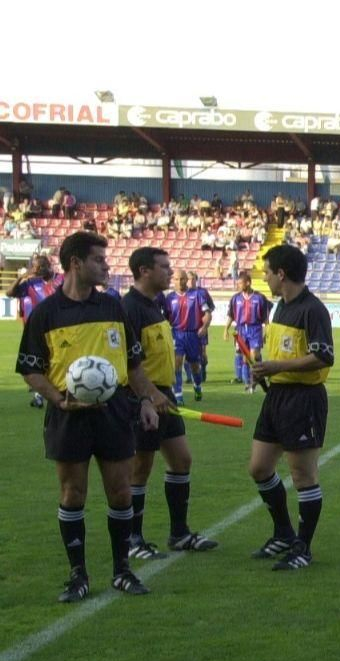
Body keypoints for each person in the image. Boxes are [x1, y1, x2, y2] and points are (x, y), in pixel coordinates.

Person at [15, 231, 165, 601]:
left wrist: (147, 399)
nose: (106, 265)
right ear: (76, 263)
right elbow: (30, 370)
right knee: (72, 493)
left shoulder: (113, 307)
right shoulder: (46, 314)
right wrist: (59, 398)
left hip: (115, 412)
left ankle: (122, 571)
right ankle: (78, 575)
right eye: (99, 259)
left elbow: (133, 365)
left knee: (120, 491)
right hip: (68, 417)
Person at [121, 247, 219, 560]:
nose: (170, 271)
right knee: (140, 468)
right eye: (164, 266)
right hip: (143, 398)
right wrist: (148, 395)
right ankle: (133, 538)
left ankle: (179, 533)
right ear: (144, 270)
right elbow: (127, 362)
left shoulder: (156, 303)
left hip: (164, 395)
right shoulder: (129, 308)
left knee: (181, 460)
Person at [246, 245, 333, 571]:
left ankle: (303, 547)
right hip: (277, 398)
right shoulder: (279, 308)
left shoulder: (312, 309)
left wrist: (277, 366)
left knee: (303, 475)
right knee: (259, 467)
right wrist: (265, 369)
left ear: (281, 274)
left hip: (303, 399)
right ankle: (283, 532)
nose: (265, 277)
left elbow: (323, 356)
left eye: (267, 272)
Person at [8, 254, 55, 407]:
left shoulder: (61, 279)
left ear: (48, 266)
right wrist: (22, 276)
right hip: (35, 329)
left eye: (39, 266)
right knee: (38, 363)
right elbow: (10, 293)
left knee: (53, 362)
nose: (36, 270)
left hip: (57, 328)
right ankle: (39, 396)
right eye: (34, 267)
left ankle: (47, 393)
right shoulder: (30, 283)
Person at [168, 271, 209, 404]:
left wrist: (204, 326)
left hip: (193, 335)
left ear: (187, 280)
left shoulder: (197, 295)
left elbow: (207, 313)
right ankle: (178, 396)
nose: (179, 282)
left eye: (182, 279)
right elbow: (165, 318)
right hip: (176, 334)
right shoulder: (169, 298)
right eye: (176, 279)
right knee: (177, 363)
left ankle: (197, 387)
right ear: (173, 280)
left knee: (195, 366)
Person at [227, 274, 270, 390]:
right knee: (245, 358)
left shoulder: (260, 298)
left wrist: (267, 329)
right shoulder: (235, 298)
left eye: (240, 283)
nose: (238, 285)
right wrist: (226, 329)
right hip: (241, 329)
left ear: (248, 283)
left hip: (255, 328)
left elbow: (266, 317)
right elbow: (231, 315)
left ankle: (255, 377)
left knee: (254, 356)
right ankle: (249, 383)